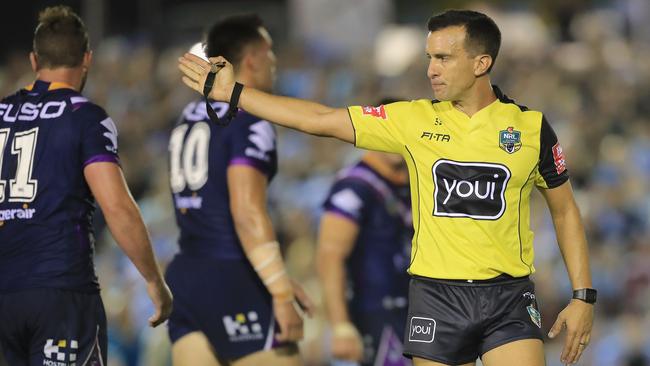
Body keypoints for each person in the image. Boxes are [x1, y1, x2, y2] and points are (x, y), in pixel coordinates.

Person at [180, 9, 597, 366]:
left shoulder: (531, 128)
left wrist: (582, 296)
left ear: (481, 63)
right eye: (429, 57)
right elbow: (319, 119)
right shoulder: (411, 119)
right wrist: (233, 93)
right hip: (437, 297)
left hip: (509, 296)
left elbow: (565, 210)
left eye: (444, 58)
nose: (431, 69)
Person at [0, 6, 173, 366]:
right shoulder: (85, 117)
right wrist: (154, 281)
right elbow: (116, 206)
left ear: (35, 60)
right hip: (61, 291)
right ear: (88, 59)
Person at [165, 14, 313, 366]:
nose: (275, 63)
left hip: (187, 276)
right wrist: (277, 290)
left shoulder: (188, 114)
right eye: (271, 53)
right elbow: (245, 210)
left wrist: (275, 274)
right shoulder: (248, 117)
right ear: (253, 59)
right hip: (231, 275)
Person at [317, 103, 413, 366]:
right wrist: (340, 325)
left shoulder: (412, 185)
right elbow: (330, 255)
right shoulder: (355, 186)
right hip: (373, 312)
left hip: (413, 312)